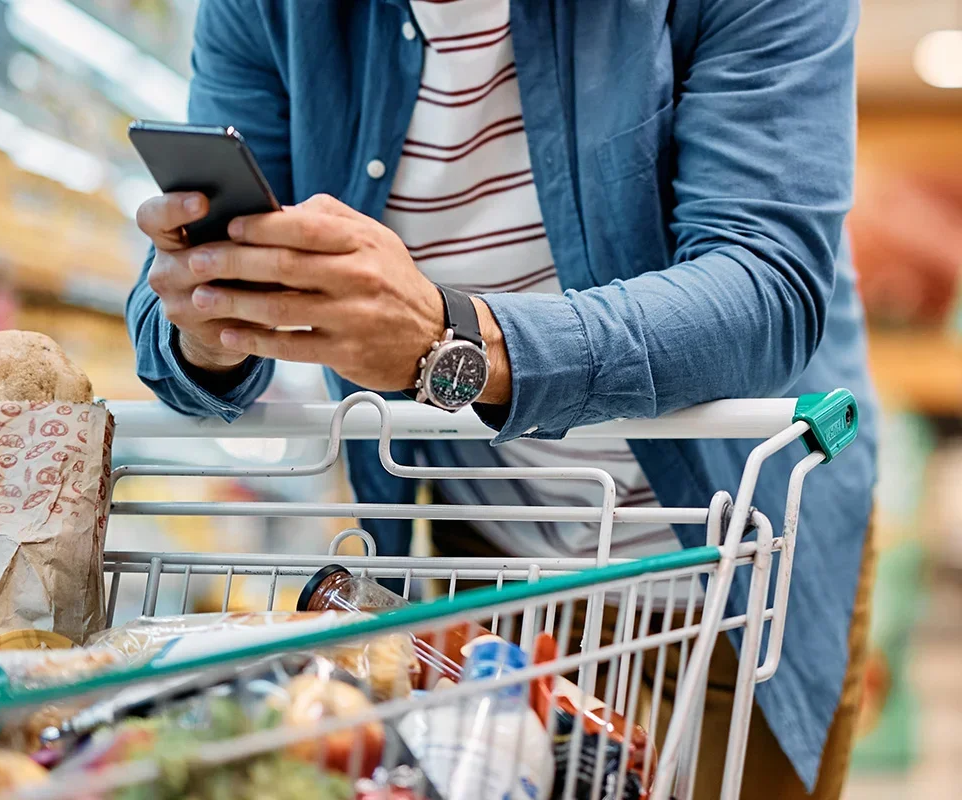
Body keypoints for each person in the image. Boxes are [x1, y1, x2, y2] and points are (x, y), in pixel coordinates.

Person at [126, 1, 877, 798]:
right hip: (486, 566)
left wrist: (456, 340)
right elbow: (171, 321)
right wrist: (206, 322)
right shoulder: (269, 12)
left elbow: (767, 290)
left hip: (730, 571)